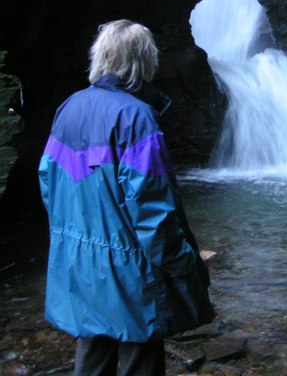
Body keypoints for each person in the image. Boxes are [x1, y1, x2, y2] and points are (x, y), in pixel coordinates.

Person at [38, 19, 214, 376]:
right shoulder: (137, 118)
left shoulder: (70, 107)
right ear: (144, 60)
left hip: (79, 259)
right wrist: (184, 263)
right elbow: (152, 212)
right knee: (141, 354)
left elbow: (48, 182)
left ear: (100, 56)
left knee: (92, 348)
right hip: (130, 269)